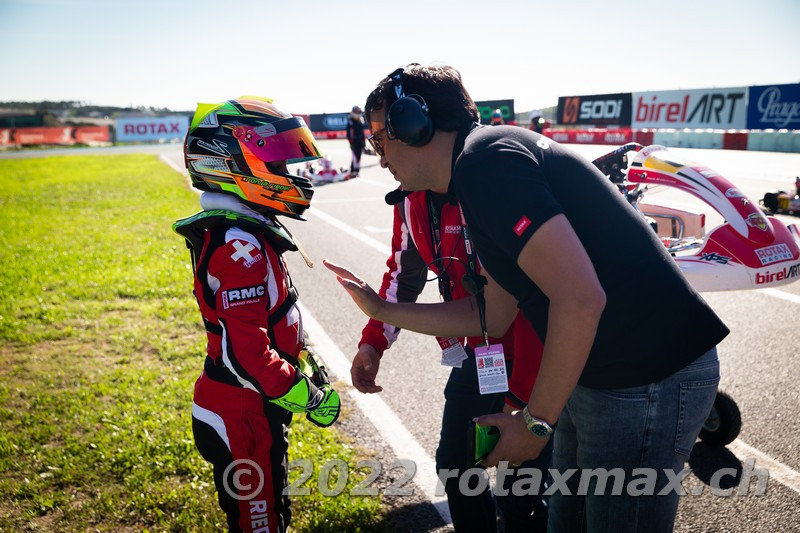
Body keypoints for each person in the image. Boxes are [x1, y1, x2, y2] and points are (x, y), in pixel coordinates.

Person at [325, 64, 729, 532]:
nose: (378, 157)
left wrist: (535, 422)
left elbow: (580, 299)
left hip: (647, 378)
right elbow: (493, 316)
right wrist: (381, 312)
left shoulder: (485, 164)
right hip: (609, 374)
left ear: (415, 125)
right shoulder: (475, 170)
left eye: (380, 139)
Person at [174, 96, 341, 532]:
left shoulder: (243, 230)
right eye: (278, 164)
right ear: (236, 164)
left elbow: (271, 320)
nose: (289, 175)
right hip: (242, 412)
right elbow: (247, 355)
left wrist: (305, 363)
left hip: (250, 408)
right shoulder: (237, 246)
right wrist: (311, 397)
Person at [354, 182, 550, 531]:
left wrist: (519, 400)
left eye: (385, 139)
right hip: (479, 352)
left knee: (520, 482)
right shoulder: (408, 198)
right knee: (456, 465)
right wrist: (372, 343)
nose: (382, 160)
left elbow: (540, 294)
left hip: (537, 356)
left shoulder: (489, 186)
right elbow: (403, 274)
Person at [346, 105, 366, 177]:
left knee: (359, 155)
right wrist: (351, 143)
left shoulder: (360, 121)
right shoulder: (350, 122)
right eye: (356, 112)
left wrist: (364, 143)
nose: (358, 114)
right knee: (355, 156)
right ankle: (353, 170)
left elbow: (362, 133)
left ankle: (357, 170)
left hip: (360, 141)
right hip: (354, 141)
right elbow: (349, 134)